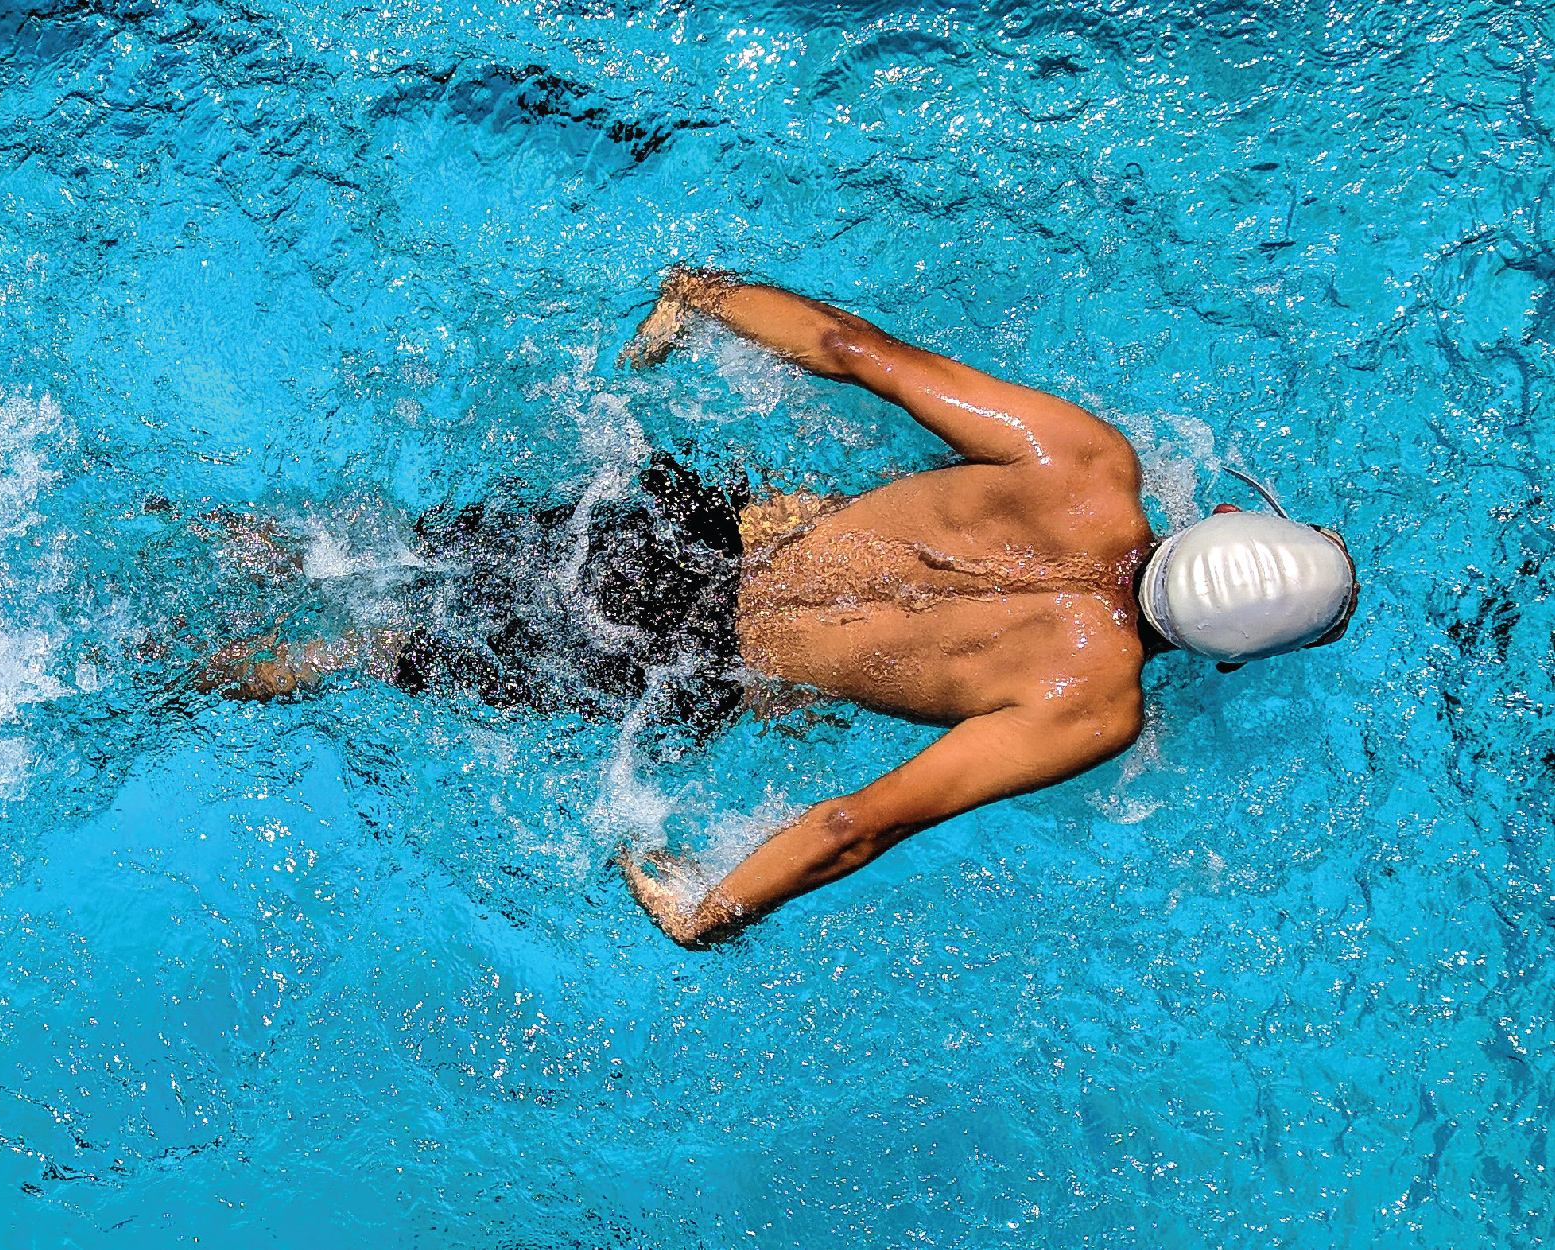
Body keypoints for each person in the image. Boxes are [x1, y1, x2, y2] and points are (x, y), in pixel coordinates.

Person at [198, 269, 1359, 949]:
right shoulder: (1091, 704)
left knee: (363, 552)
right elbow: (861, 821)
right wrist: (714, 906)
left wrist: (704, 296)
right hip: (682, 662)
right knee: (371, 651)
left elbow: (857, 350)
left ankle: (203, 532)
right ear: (1229, 655)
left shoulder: (1085, 463)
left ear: (1218, 518)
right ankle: (172, 669)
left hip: (674, 529)